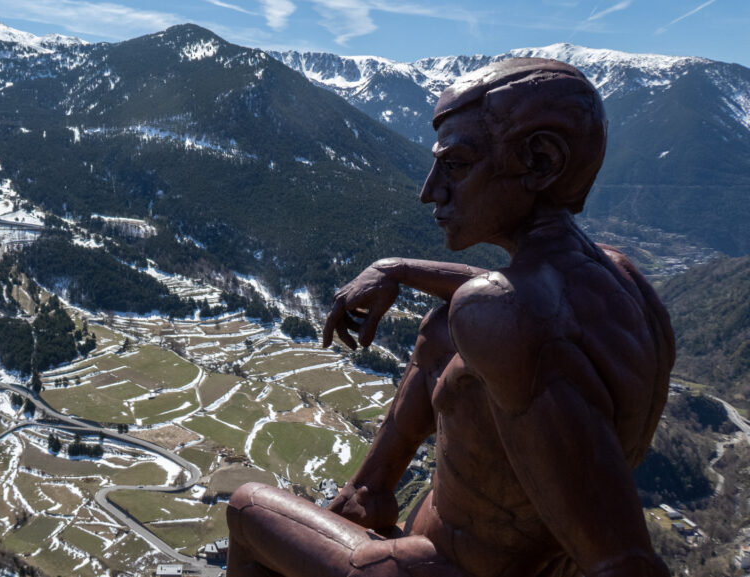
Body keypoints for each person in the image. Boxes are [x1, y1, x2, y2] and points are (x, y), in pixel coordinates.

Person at [226, 58, 674, 577]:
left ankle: (363, 496)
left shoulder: (506, 316)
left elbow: (622, 560)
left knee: (247, 507)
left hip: (444, 568)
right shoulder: (624, 280)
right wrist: (399, 269)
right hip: (515, 558)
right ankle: (367, 493)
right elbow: (520, 303)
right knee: (443, 327)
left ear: (541, 160)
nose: (430, 189)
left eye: (456, 165)